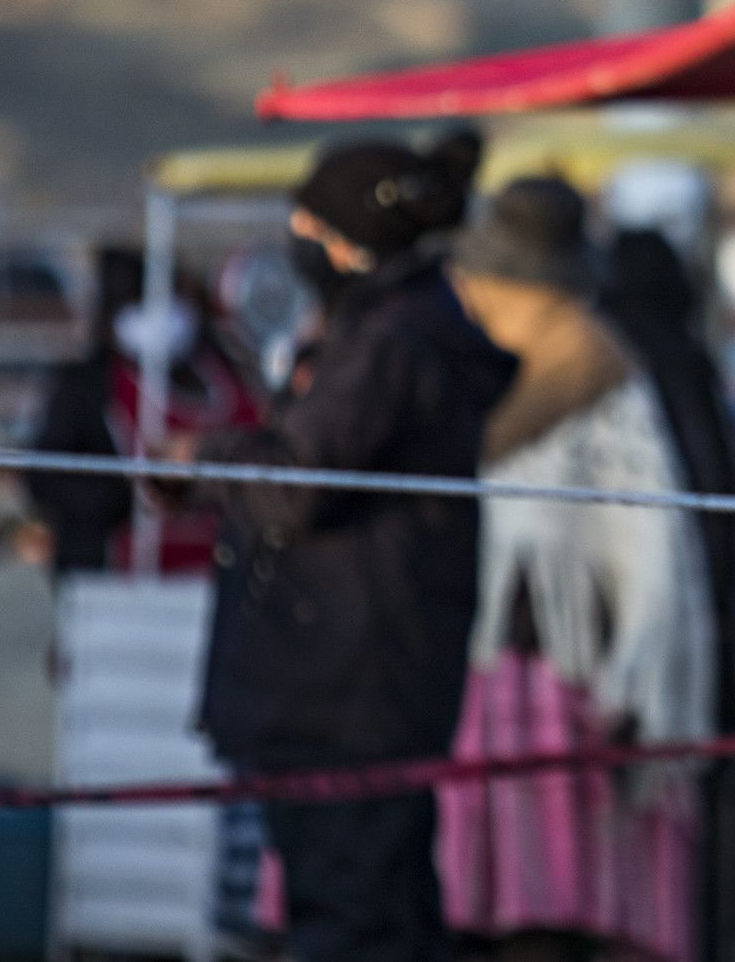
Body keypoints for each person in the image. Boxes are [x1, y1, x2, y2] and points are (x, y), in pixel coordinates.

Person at [192, 138, 515, 962]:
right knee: (387, 912)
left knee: (353, 918)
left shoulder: (391, 340)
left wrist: (206, 461)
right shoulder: (399, 327)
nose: (295, 237)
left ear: (347, 239)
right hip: (369, 680)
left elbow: (299, 484)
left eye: (307, 220)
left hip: (348, 688)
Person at [436, 176, 716, 962]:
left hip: (567, 689)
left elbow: (652, 546)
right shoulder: (484, 368)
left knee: (549, 922)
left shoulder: (599, 369)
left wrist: (639, 678)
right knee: (490, 917)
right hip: (485, 679)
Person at [24, 250, 262, 573]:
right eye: (142, 301)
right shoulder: (89, 384)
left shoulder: (226, 367)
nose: (161, 315)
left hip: (227, 570)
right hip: (124, 578)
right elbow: (46, 473)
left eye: (172, 296)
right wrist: (127, 497)